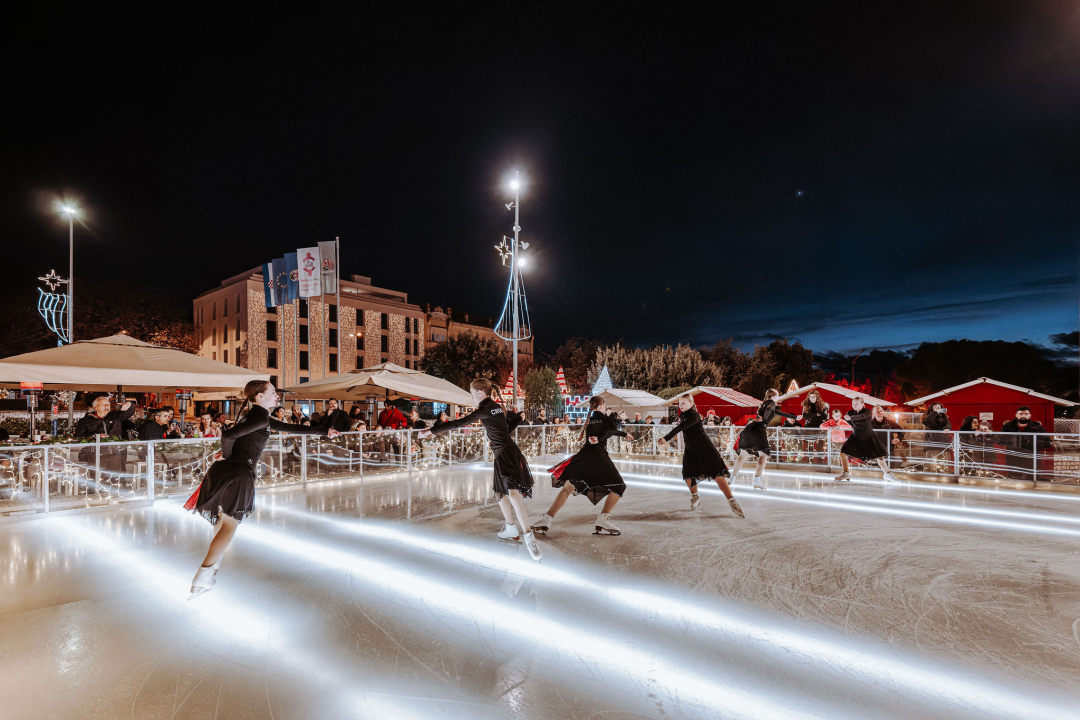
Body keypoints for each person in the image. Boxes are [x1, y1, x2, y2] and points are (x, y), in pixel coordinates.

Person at [185, 380, 340, 598]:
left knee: (222, 523)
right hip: (237, 473)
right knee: (229, 524)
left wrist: (324, 430)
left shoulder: (260, 417)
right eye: (273, 392)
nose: (277, 396)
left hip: (226, 471)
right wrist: (228, 454)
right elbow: (228, 436)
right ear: (259, 396)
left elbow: (291, 427)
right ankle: (204, 573)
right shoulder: (258, 416)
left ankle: (210, 572)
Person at [420, 378, 541, 561]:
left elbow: (458, 424)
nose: (472, 396)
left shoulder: (484, 409)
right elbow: (516, 418)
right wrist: (503, 434)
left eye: (472, 393)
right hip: (509, 451)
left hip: (504, 454)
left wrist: (431, 430)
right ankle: (510, 528)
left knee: (513, 494)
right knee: (499, 492)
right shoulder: (497, 406)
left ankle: (528, 535)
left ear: (479, 393)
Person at [536, 397, 629, 535]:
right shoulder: (606, 418)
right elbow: (610, 432)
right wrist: (624, 434)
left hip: (584, 457)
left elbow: (594, 438)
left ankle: (547, 519)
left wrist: (600, 438)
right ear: (602, 405)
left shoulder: (590, 420)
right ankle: (603, 518)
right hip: (599, 458)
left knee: (568, 488)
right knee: (619, 486)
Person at [656, 394, 745, 516]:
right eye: (679, 403)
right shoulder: (682, 415)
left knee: (717, 475)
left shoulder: (694, 416)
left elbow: (681, 427)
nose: (680, 405)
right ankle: (695, 497)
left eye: (683, 403)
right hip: (691, 450)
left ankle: (731, 500)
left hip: (705, 448)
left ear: (691, 403)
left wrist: (666, 438)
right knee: (688, 475)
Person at [729, 389, 796, 491]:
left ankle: (732, 478)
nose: (778, 396)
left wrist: (794, 417)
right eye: (777, 395)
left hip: (749, 429)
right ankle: (756, 480)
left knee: (743, 455)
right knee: (763, 454)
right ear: (773, 396)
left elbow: (778, 412)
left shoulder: (764, 403)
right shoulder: (771, 403)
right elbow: (770, 409)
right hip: (758, 430)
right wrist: (764, 419)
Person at [835, 397, 900, 482]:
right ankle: (846, 473)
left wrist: (851, 418)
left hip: (869, 436)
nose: (854, 405)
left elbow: (861, 416)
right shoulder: (850, 413)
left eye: (857, 403)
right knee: (843, 453)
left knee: (880, 456)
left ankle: (887, 474)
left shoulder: (868, 412)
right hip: (856, 436)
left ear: (862, 404)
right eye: (853, 403)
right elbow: (850, 423)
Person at [74, 395, 136, 475]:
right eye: (103, 404)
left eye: (108, 404)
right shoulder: (86, 421)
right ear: (95, 407)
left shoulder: (115, 416)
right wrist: (95, 437)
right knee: (97, 476)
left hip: (116, 453)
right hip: (96, 454)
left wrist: (129, 404)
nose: (106, 406)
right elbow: (78, 438)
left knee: (117, 475)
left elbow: (129, 412)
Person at [999, 406, 1049, 479]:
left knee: (1032, 483)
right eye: (1020, 414)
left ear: (1030, 415)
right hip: (1014, 460)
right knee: (1015, 483)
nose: (1023, 416)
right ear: (1016, 415)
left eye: (1026, 414)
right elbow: (1000, 441)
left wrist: (1032, 442)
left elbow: (1048, 442)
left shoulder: (1037, 428)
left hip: (1031, 460)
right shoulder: (1008, 427)